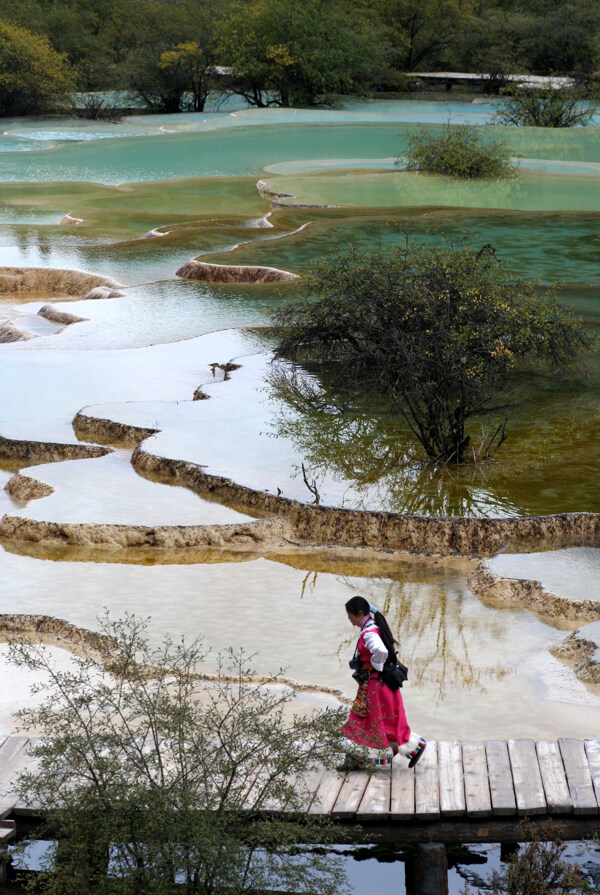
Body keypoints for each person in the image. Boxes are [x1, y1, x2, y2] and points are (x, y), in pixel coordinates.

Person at [338, 595, 426, 770]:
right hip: (377, 685)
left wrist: (376, 666)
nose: (349, 619)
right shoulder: (372, 626)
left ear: (360, 613)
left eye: (350, 616)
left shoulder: (369, 633)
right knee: (383, 722)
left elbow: (381, 651)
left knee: (363, 721)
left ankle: (355, 760)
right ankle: (413, 746)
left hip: (375, 686)